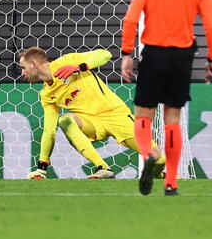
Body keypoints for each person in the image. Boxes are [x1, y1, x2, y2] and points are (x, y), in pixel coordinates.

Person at [121, 0, 212, 196]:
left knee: (143, 114)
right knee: (172, 117)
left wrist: (127, 53)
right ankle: (171, 183)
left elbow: (130, 19)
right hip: (182, 56)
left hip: (154, 53)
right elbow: (211, 24)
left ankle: (150, 152)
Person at [19, 47, 166, 180]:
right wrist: (41, 168)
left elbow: (105, 54)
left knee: (158, 159)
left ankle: (158, 174)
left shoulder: (67, 61)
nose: (22, 73)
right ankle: (102, 167)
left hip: (116, 116)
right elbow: (49, 131)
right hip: (91, 123)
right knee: (65, 120)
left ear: (34, 64)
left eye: (23, 67)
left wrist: (79, 68)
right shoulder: (46, 94)